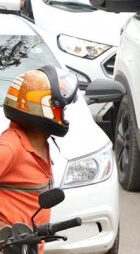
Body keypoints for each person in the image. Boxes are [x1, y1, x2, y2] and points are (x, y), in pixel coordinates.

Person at [1, 66, 77, 238]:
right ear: (40, 107)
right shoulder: (10, 147)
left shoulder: (39, 142)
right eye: (61, 108)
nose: (64, 113)